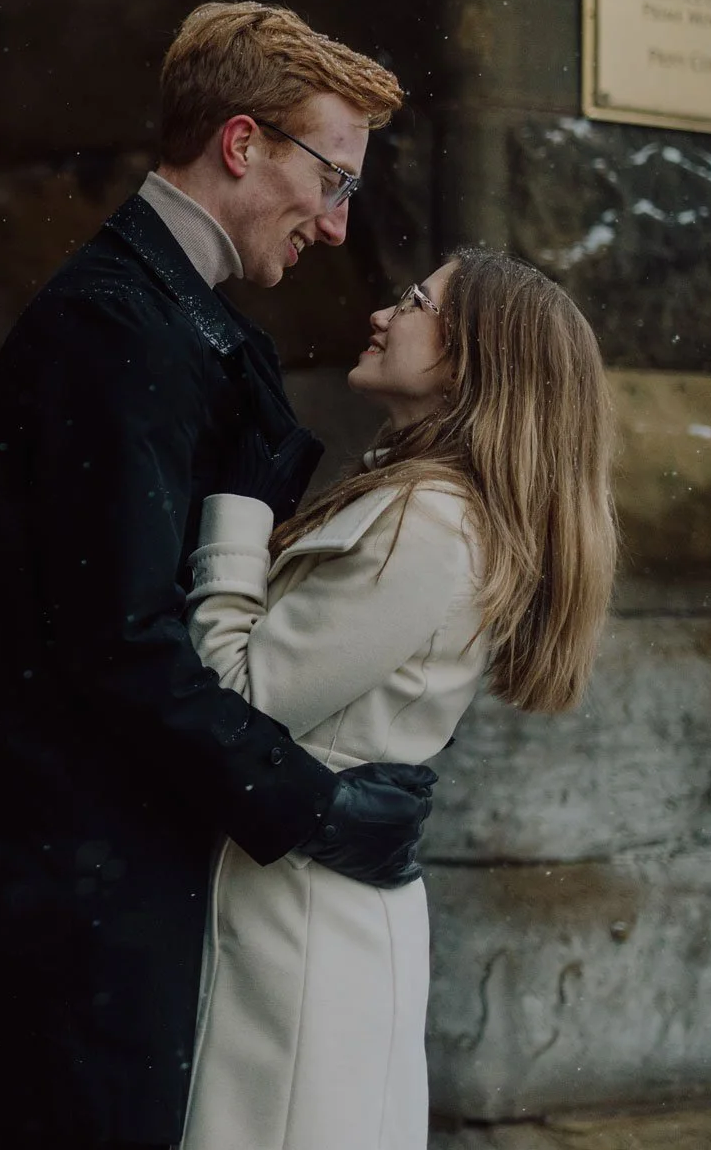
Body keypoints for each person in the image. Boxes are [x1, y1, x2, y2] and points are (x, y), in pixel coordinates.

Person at [0, 1, 428, 1150]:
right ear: (242, 144)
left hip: (95, 907)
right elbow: (124, 645)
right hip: (75, 926)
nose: (339, 228)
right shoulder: (115, 326)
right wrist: (313, 806)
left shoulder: (169, 318)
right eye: (333, 180)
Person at [178, 250, 615, 1150]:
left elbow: (238, 700)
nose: (383, 311)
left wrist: (236, 511)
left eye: (416, 302)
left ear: (469, 359)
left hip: (300, 923)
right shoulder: (426, 503)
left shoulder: (431, 521)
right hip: (311, 908)